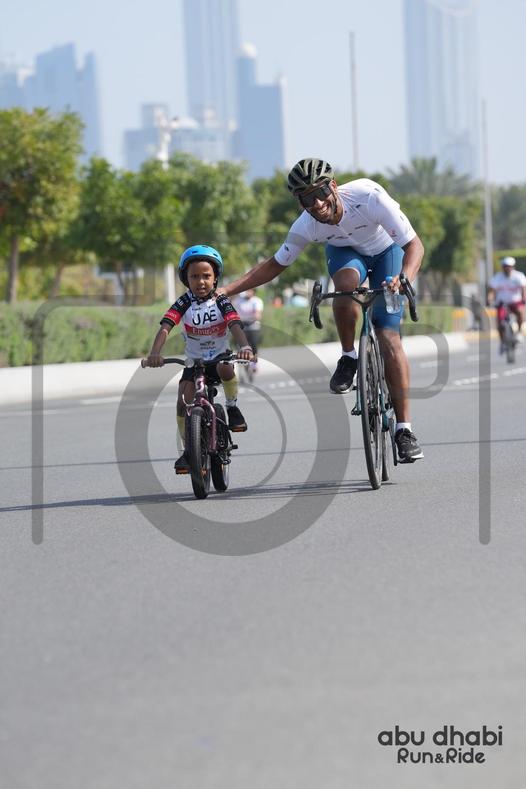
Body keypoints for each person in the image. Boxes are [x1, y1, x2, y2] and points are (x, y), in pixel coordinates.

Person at [220, 158, 425, 462]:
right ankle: (349, 357)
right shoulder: (306, 225)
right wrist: (227, 290)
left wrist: (403, 278)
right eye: (306, 199)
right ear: (299, 202)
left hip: (387, 252)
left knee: (388, 336)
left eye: (320, 193)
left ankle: (404, 431)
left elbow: (414, 245)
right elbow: (274, 265)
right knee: (344, 286)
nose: (316, 203)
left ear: (333, 187)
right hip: (345, 253)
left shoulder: (369, 197)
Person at [145, 244, 254, 474]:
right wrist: (155, 353)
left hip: (219, 358)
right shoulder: (183, 302)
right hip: (194, 363)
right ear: (186, 279)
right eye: (194, 276)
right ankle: (189, 449)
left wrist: (244, 346)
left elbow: (234, 323)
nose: (201, 281)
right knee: (182, 402)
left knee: (226, 367)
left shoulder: (221, 301)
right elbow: (166, 326)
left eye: (206, 276)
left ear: (215, 278)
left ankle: (232, 407)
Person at [487, 256, 526, 349]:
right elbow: (491, 291)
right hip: (502, 303)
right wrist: (489, 299)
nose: (507, 268)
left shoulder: (518, 276)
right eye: (505, 266)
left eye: (509, 266)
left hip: (515, 302)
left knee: (520, 312)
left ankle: (519, 333)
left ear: (513, 267)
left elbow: (523, 289)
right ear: (502, 267)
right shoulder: (498, 277)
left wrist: (524, 298)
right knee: (500, 322)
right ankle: (502, 342)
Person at [233, 288, 264, 372]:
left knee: (254, 345)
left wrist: (254, 317)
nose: (248, 292)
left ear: (253, 292)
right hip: (242, 326)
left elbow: (258, 315)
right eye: (247, 291)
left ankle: (254, 363)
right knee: (240, 345)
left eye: (250, 291)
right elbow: (233, 312)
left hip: (253, 326)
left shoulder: (256, 301)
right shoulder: (238, 301)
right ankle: (243, 359)